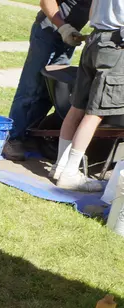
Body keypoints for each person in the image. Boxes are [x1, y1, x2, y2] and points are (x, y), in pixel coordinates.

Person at [51, 0, 124, 190]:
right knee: (95, 113)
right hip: (116, 46)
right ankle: (70, 173)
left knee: (78, 107)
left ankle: (60, 166)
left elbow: (92, 12)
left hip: (95, 39)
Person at [4, 0, 90, 161]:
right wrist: (63, 27)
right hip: (47, 31)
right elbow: (46, 2)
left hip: (69, 37)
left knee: (51, 91)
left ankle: (29, 134)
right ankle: (12, 138)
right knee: (31, 87)